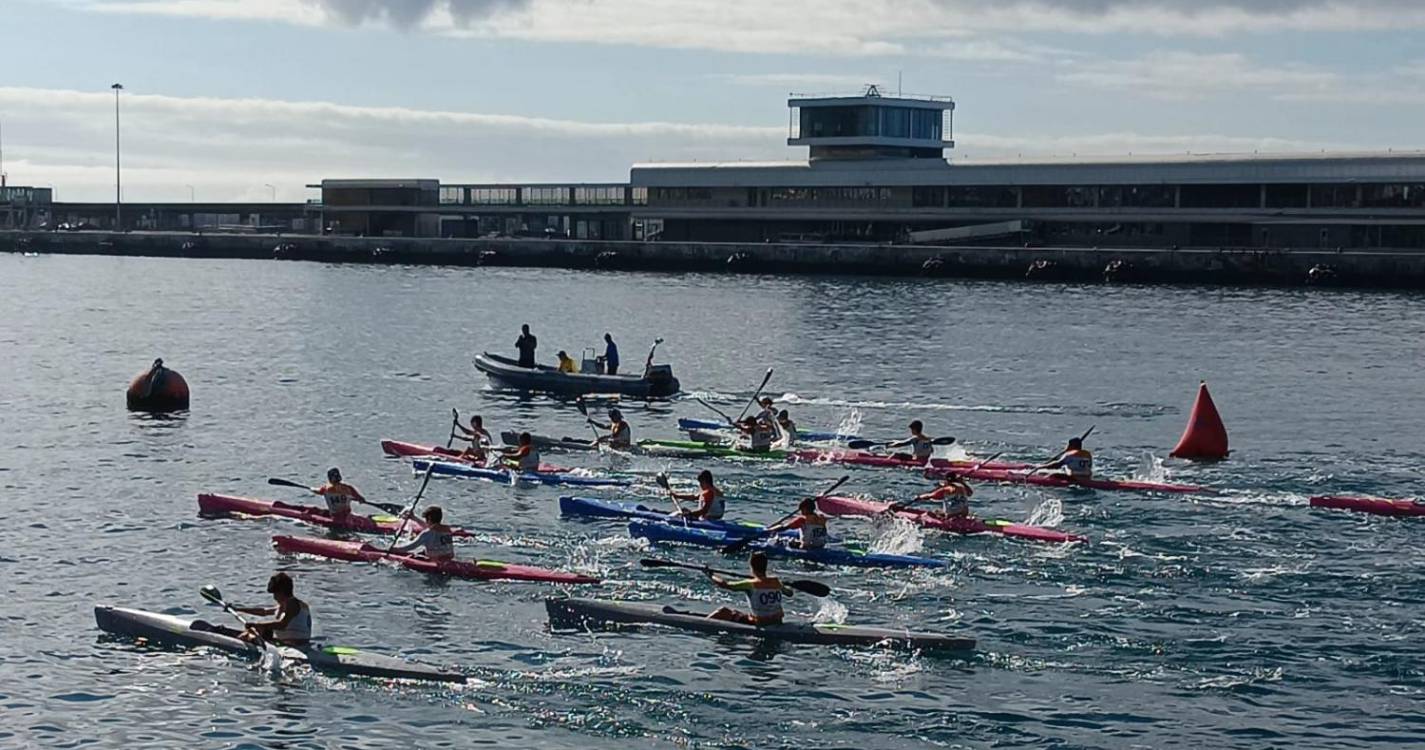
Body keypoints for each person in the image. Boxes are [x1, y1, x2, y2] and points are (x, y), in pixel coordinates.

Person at [706, 552, 787, 626]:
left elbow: (725, 585)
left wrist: (711, 575)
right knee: (738, 613)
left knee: (723, 611)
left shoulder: (750, 584)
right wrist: (781, 586)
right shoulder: (776, 582)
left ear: (751, 567)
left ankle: (702, 624)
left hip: (760, 623)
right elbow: (790, 593)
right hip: (777, 621)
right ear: (765, 566)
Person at [236, 572, 312, 645]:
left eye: (275, 593)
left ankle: (240, 641)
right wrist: (239, 609)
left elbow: (282, 625)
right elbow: (263, 612)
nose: (274, 597)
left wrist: (258, 625)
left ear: (281, 591)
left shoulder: (292, 604)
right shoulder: (284, 605)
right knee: (260, 629)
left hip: (295, 644)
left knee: (256, 630)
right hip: (286, 642)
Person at [388, 506, 456, 561]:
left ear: (429, 518)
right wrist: (414, 518)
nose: (425, 521)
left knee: (413, 556)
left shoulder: (427, 533)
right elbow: (428, 527)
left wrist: (393, 549)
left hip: (435, 560)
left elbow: (410, 547)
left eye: (426, 519)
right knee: (422, 551)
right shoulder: (447, 529)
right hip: (448, 557)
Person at [765, 497, 829, 550]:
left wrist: (769, 530)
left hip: (806, 547)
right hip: (820, 545)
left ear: (805, 509)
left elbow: (784, 527)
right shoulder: (822, 518)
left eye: (801, 509)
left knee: (784, 542)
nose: (801, 512)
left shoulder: (802, 519)